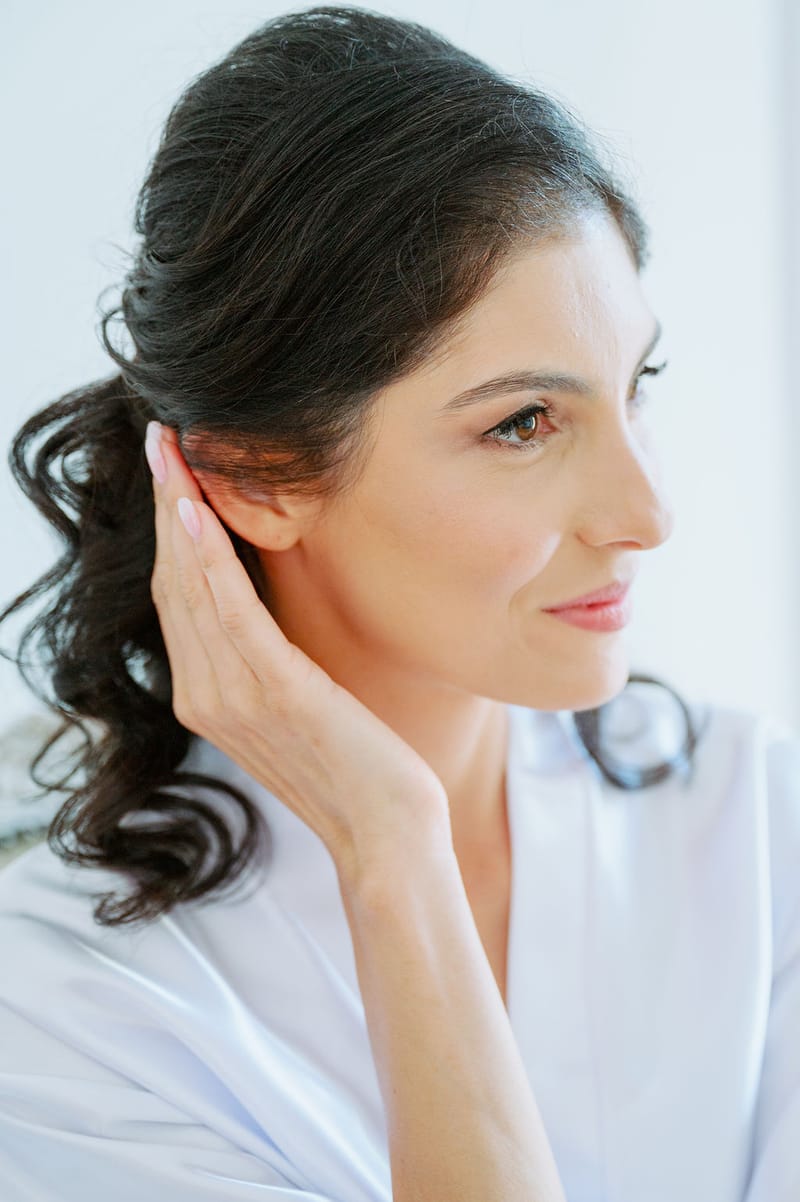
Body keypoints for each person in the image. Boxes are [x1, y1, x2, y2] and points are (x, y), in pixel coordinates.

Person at [0, 5, 797, 1200]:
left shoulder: (754, 824)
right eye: (522, 422)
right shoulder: (66, 1003)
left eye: (637, 384)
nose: (645, 512)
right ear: (255, 476)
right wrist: (394, 854)